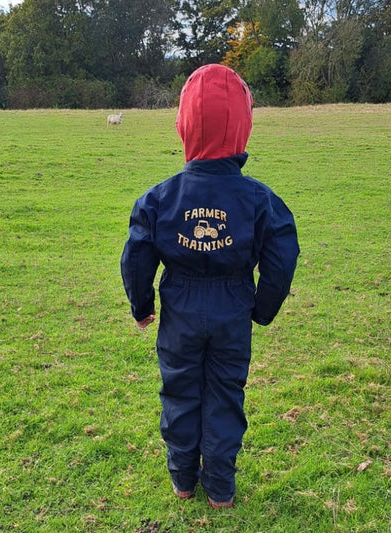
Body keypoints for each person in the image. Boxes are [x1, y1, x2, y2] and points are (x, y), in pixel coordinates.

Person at [120, 64, 299, 508]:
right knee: (224, 392)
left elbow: (137, 257)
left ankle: (183, 479)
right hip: (233, 305)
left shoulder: (160, 198)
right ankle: (220, 487)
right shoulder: (258, 198)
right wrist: (262, 307)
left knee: (179, 388)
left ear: (185, 127)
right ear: (243, 127)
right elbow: (282, 256)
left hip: (180, 304)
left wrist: (142, 306)